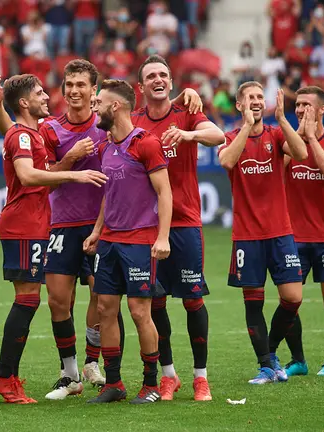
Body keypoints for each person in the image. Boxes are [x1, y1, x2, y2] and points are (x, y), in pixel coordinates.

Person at [0, 60, 202, 395]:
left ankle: (96, 364)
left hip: (107, 226)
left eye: (81, 85)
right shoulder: (49, 128)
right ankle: (70, 374)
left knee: (106, 301)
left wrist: (184, 95)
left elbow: (143, 112)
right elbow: (19, 138)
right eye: (69, 85)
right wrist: (71, 159)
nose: (74, 91)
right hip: (61, 223)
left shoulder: (107, 124)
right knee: (58, 301)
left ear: (93, 91)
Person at [0, 74, 107, 404]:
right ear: (25, 102)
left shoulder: (30, 133)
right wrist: (74, 174)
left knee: (30, 299)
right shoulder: (23, 135)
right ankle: (5, 375)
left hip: (35, 224)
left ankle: (8, 375)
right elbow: (26, 175)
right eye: (39, 93)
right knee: (27, 300)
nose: (46, 96)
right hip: (24, 224)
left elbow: (10, 128)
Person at [130, 55, 226, 401]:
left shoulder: (186, 112)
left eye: (163, 75)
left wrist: (187, 134)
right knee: (155, 301)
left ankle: (201, 378)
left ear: (171, 83)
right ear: (141, 87)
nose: (158, 79)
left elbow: (218, 136)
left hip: (185, 222)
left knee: (192, 299)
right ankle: (169, 376)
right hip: (146, 226)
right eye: (151, 76)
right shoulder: (134, 121)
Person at [83, 79, 172, 404]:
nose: (94, 108)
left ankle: (151, 385)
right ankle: (114, 384)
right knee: (105, 308)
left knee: (138, 312)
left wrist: (163, 237)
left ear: (115, 106)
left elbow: (164, 192)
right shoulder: (105, 147)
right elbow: (109, 194)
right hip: (109, 241)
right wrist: (97, 230)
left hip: (139, 242)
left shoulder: (146, 143)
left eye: (98, 103)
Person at [217, 82, 308, 384]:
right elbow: (227, 161)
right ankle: (266, 366)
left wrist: (282, 118)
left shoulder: (276, 134)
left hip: (280, 232)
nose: (256, 101)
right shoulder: (231, 137)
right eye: (250, 98)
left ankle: (270, 351)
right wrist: (246, 126)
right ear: (239, 104)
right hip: (247, 236)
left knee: (293, 298)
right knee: (253, 303)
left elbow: (301, 153)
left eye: (259, 97)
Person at [281, 86, 324, 377]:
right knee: (290, 301)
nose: (300, 109)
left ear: (322, 109)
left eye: (306, 105)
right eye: (297, 105)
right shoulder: (288, 142)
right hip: (292, 237)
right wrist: (299, 135)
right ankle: (298, 361)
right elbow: (278, 168)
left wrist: (310, 137)